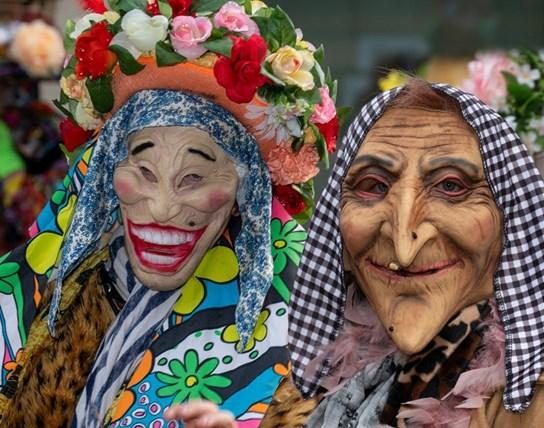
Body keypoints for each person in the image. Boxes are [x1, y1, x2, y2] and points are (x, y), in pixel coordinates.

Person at [0, 1, 340, 426]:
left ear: (244, 189)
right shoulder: (24, 301)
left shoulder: (306, 342)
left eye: (194, 178)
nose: (161, 209)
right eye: (143, 172)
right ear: (107, 169)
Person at [288, 79, 544, 427]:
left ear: (509, 222)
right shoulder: (315, 373)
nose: (404, 250)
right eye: (373, 186)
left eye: (451, 186)